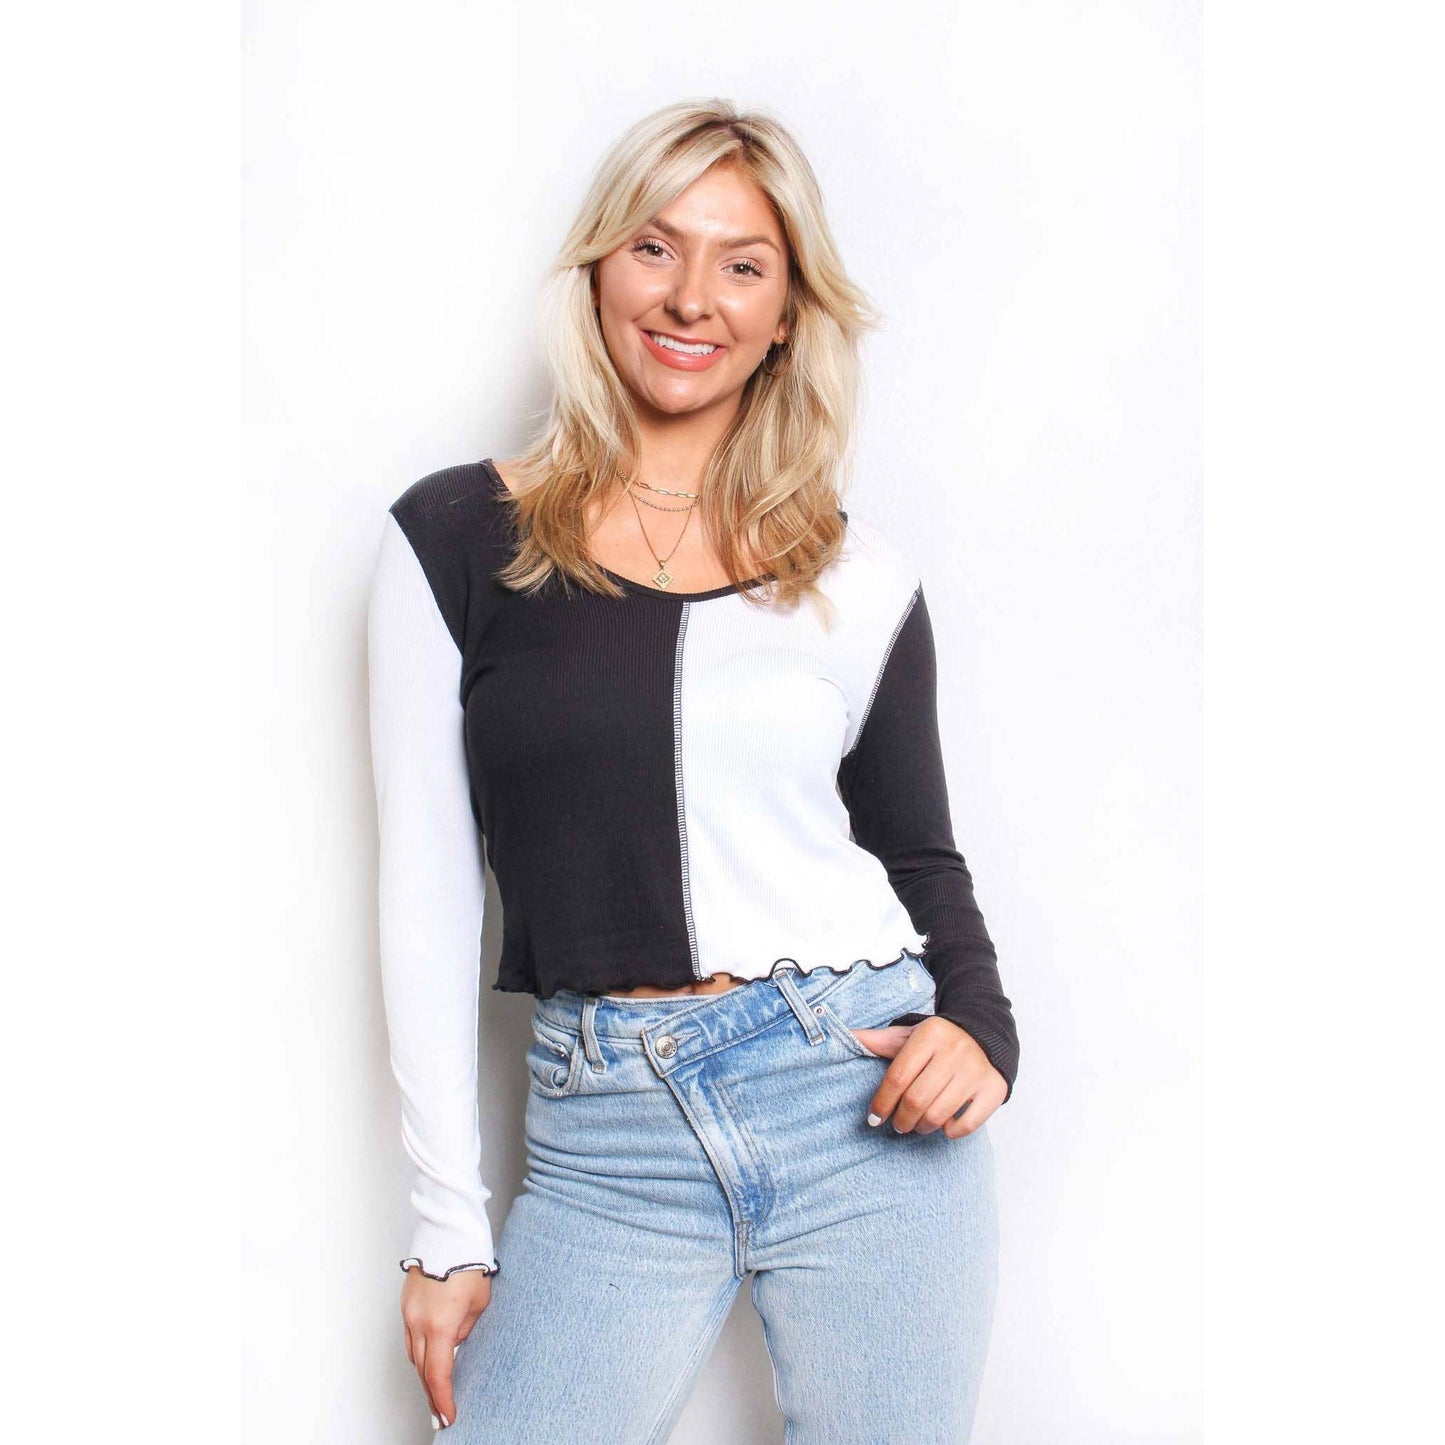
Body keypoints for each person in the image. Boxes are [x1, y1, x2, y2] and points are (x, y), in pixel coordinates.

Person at [366, 97, 1020, 1443]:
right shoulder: (453, 537)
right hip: (607, 1132)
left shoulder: (855, 573)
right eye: (656, 248)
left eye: (743, 263)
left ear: (786, 313)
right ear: (602, 266)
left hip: (862, 1096)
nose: (692, 297)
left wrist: (985, 1028)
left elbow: (915, 852)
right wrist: (445, 1223)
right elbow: (427, 889)